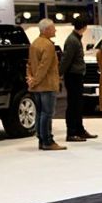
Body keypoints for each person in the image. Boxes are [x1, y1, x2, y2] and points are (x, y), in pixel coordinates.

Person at [26, 18, 66, 151]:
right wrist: (35, 80)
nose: (55, 30)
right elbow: (44, 67)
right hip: (47, 85)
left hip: (37, 86)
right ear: (47, 30)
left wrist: (31, 79)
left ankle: (41, 140)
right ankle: (47, 141)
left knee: (40, 113)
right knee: (47, 113)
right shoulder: (48, 45)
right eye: (53, 28)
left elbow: (30, 64)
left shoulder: (34, 43)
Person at [60, 16, 97, 142]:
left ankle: (79, 130)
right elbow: (66, 60)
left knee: (78, 104)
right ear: (84, 27)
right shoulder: (72, 40)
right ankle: (71, 132)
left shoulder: (75, 39)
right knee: (73, 105)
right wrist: (60, 73)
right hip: (73, 76)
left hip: (76, 75)